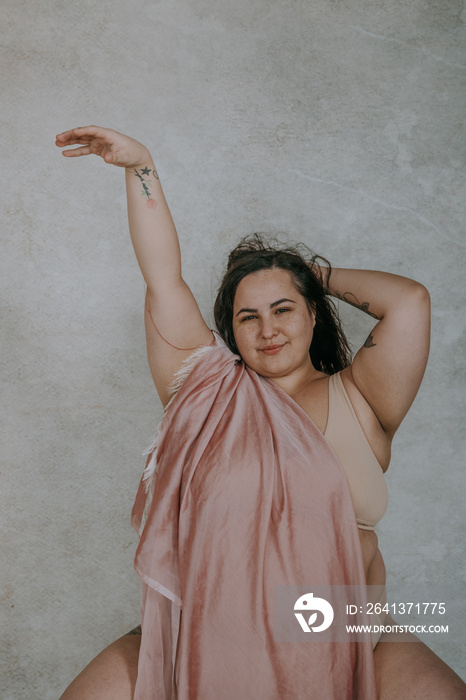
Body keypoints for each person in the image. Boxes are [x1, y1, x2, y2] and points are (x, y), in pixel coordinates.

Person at [55, 126, 465, 699]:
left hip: (345, 632)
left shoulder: (363, 397)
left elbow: (410, 300)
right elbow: (162, 277)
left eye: (283, 308)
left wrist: (301, 272)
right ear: (231, 331)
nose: (268, 329)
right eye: (248, 317)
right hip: (202, 628)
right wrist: (140, 167)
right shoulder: (206, 391)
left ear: (313, 315)